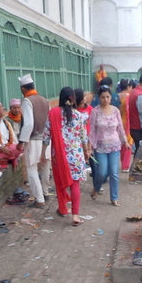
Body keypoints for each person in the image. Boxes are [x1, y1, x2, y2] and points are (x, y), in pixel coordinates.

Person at [43, 87, 89, 226]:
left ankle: (63, 208)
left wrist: (42, 153)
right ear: (73, 98)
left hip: (59, 155)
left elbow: (46, 136)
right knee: (75, 184)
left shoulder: (53, 114)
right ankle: (75, 215)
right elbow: (83, 137)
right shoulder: (80, 116)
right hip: (76, 156)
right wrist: (86, 152)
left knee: (60, 181)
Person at [89, 86, 127, 206]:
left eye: (107, 97)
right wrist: (90, 146)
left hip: (115, 146)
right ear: (98, 98)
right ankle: (96, 188)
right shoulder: (95, 111)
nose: (105, 99)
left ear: (111, 97)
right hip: (100, 147)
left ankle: (114, 198)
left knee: (114, 173)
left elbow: (120, 127)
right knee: (102, 172)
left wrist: (125, 141)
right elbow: (92, 131)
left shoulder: (115, 110)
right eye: (102, 97)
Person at [18, 74, 51, 209]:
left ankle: (39, 199)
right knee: (45, 166)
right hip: (46, 139)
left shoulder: (27, 101)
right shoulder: (44, 100)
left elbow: (28, 124)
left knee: (32, 169)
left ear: (23, 88)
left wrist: (22, 140)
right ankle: (45, 192)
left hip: (33, 139)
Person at [118, 79, 134, 171]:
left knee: (120, 142)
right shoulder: (129, 97)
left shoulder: (116, 96)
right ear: (128, 87)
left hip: (118, 120)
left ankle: (122, 162)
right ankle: (125, 165)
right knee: (128, 142)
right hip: (127, 122)